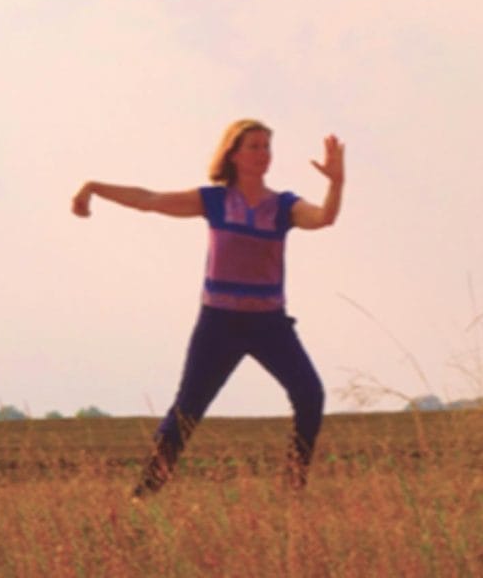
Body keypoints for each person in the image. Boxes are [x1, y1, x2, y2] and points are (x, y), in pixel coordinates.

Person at [71, 119, 345, 496]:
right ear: (233, 153)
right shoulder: (214, 201)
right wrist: (93, 188)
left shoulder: (283, 206)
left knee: (310, 395)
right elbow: (149, 199)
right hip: (220, 323)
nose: (263, 154)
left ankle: (292, 488)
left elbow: (324, 218)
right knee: (187, 410)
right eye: (254, 146)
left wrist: (336, 182)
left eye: (267, 146)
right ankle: (144, 495)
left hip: (270, 323)